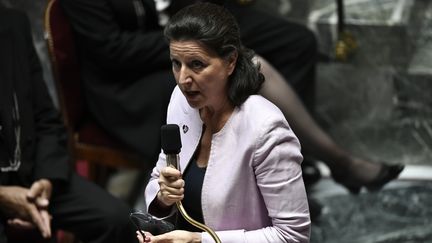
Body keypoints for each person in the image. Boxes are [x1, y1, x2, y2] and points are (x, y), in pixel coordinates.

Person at [59, 0, 403, 199]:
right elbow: (111, 51)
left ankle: (281, 160)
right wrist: (196, 44)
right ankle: (337, 161)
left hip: (184, 35)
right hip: (127, 83)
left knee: (295, 42)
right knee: (245, 67)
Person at [142, 3, 310, 243]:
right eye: (176, 63)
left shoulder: (266, 128)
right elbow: (160, 175)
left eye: (197, 64)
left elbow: (293, 236)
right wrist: (162, 198)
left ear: (230, 61)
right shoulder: (181, 101)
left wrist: (199, 241)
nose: (182, 79)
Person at [0, 6, 137, 243]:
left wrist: (46, 180)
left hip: (31, 173)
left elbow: (46, 117)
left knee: (117, 220)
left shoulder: (12, 22)